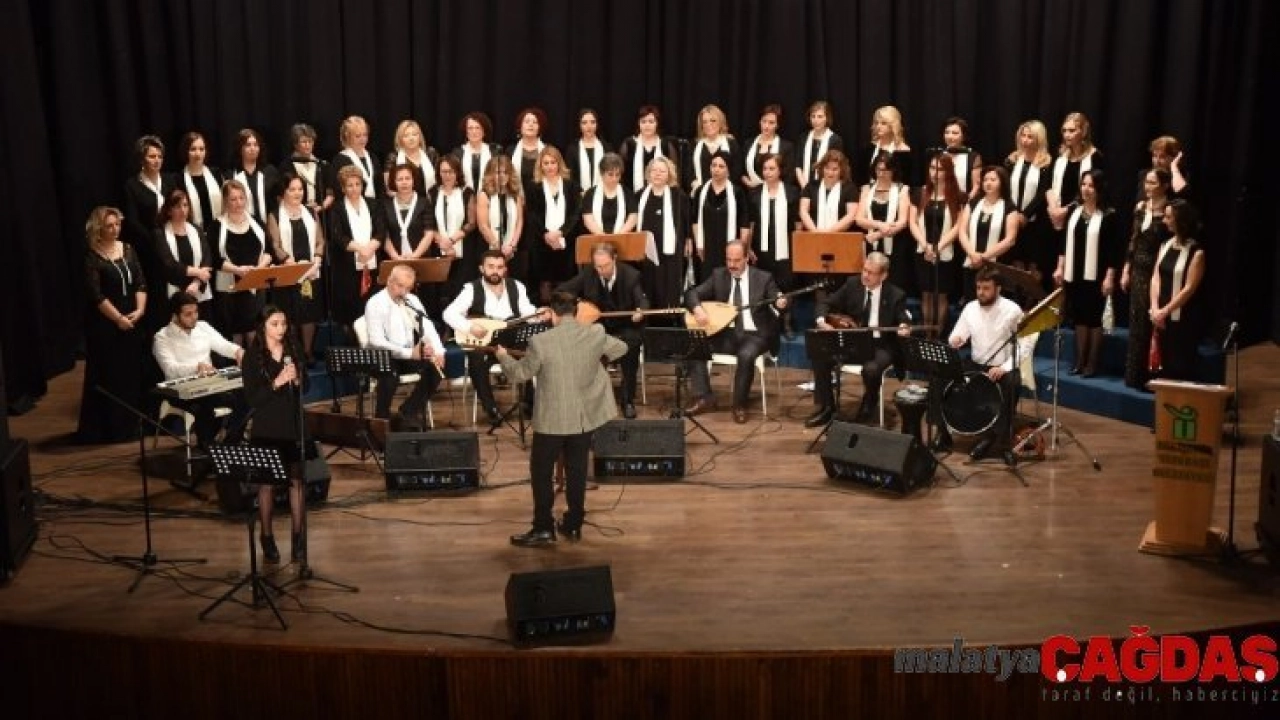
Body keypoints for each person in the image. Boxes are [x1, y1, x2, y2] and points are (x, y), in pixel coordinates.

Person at [495, 291, 628, 546]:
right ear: (575, 312)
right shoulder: (595, 333)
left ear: (552, 314)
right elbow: (621, 348)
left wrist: (503, 357)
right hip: (583, 417)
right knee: (577, 471)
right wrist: (596, 362)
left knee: (541, 472)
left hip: (552, 420)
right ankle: (574, 524)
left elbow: (521, 374)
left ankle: (543, 528)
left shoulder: (540, 341)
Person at [683, 241, 788, 424]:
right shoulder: (719, 275)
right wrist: (697, 309)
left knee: (746, 355)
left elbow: (777, 297)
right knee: (695, 344)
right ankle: (704, 397)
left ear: (747, 258)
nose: (731, 265)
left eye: (737, 260)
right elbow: (691, 294)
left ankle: (739, 405)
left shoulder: (763, 278)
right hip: (727, 333)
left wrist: (781, 302)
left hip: (755, 334)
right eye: (728, 260)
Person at [806, 252, 910, 429]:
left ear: (883, 275)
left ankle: (870, 401)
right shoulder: (852, 284)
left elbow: (903, 318)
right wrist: (822, 321)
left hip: (881, 346)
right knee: (820, 356)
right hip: (854, 341)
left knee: (871, 369)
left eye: (871, 273)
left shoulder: (896, 295)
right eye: (864, 270)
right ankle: (827, 407)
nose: (865, 275)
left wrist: (904, 326)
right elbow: (826, 303)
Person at [241, 305, 309, 564]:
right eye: (275, 324)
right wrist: (277, 383)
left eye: (284, 323)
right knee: (266, 484)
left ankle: (298, 537)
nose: (281, 329)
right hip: (267, 427)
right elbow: (253, 399)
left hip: (293, 424)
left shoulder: (293, 349)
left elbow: (306, 386)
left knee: (297, 482)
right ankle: (267, 536)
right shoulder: (252, 357)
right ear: (263, 327)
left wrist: (298, 380)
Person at [933, 266, 1024, 460]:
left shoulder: (1012, 310)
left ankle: (998, 440)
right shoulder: (970, 308)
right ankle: (943, 432)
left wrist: (1004, 367)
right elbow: (956, 334)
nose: (981, 293)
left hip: (1001, 366)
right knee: (938, 377)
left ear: (998, 289)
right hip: (975, 364)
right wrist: (956, 339)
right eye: (978, 288)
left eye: (986, 288)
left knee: (1013, 383)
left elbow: (1025, 345)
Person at [442, 250, 541, 424]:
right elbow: (448, 313)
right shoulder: (471, 289)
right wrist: (470, 327)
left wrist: (538, 314)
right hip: (485, 342)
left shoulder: (516, 286)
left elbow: (527, 311)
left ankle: (529, 402)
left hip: (512, 337)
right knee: (476, 358)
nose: (495, 271)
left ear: (505, 269)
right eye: (491, 267)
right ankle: (491, 408)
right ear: (482, 268)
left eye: (500, 267)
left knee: (535, 351)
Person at [77, 206, 148, 444]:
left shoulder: (127, 249)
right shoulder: (92, 256)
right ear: (99, 228)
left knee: (130, 374)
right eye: (109, 225)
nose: (115, 229)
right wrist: (118, 318)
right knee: (110, 375)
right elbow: (96, 295)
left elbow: (140, 282)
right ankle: (110, 429)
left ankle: (131, 425)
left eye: (117, 224)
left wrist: (140, 310)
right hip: (106, 325)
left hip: (132, 319)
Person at [557, 243, 650, 418]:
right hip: (597, 326)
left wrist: (640, 311)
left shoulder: (631, 275)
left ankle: (627, 400)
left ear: (614, 259)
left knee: (631, 346)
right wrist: (578, 304)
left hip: (625, 325)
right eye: (597, 266)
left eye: (605, 266)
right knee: (584, 345)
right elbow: (562, 291)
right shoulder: (588, 273)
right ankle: (590, 400)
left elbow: (643, 301)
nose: (601, 271)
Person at [151, 292, 247, 448]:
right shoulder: (162, 337)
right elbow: (170, 369)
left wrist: (238, 351)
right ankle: (207, 446)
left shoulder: (203, 327)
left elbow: (223, 345)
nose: (194, 317)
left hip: (210, 385)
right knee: (205, 406)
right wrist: (196, 367)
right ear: (175, 316)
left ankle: (230, 442)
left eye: (196, 312)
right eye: (188, 314)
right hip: (181, 391)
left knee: (246, 396)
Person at [1053, 170, 1122, 377]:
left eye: (1091, 185)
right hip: (1075, 274)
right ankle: (1079, 361)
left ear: (1099, 188)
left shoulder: (1108, 214)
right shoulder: (1074, 210)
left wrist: (1109, 277)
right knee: (1079, 318)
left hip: (1097, 276)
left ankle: (1092, 363)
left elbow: (1114, 251)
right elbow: (1064, 243)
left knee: (1094, 319)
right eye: (1084, 184)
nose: (1086, 189)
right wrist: (1060, 267)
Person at [363, 264, 444, 430]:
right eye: (400, 286)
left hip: (408, 354)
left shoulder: (412, 300)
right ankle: (382, 420)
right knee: (389, 376)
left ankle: (408, 411)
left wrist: (438, 351)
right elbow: (376, 341)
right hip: (383, 356)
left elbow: (427, 327)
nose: (403, 292)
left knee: (435, 370)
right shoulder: (375, 303)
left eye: (408, 288)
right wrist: (410, 353)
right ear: (389, 281)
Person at [1121, 168, 1172, 390]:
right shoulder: (1141, 208)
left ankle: (1153, 375)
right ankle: (1134, 376)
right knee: (1137, 322)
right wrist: (1126, 269)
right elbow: (1133, 240)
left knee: (1152, 322)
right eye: (1146, 182)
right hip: (1139, 270)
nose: (1147, 187)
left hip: (1158, 269)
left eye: (1152, 183)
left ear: (1164, 186)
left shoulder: (1169, 211)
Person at [266, 173, 326, 362]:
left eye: (300, 189)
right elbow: (275, 245)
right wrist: (289, 263)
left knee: (309, 314)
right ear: (283, 192)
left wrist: (317, 260)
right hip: (287, 272)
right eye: (292, 189)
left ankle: (307, 351)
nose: (297, 193)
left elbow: (320, 241)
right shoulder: (275, 215)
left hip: (311, 271)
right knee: (288, 315)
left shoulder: (311, 212)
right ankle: (292, 352)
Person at [122, 135, 177, 333]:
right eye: (152, 156)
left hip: (174, 243)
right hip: (149, 251)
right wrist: (155, 241)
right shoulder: (132, 185)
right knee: (157, 297)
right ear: (141, 159)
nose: (157, 160)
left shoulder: (170, 180)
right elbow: (132, 222)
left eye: (160, 156)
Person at [1149, 200, 1206, 382]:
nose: (1164, 221)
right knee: (1162, 365)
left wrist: (1165, 311)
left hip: (1182, 318)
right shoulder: (1164, 245)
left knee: (1179, 365)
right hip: (1160, 316)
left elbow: (1189, 288)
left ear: (1180, 221)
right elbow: (1155, 277)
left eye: (1168, 217)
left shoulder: (1196, 252)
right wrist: (1155, 308)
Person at [908, 153, 963, 338]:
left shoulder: (956, 196)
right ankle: (927, 335)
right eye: (932, 168)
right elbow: (912, 222)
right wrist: (926, 245)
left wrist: (938, 246)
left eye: (939, 169)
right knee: (926, 294)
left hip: (945, 250)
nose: (935, 173)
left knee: (940, 295)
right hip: (923, 250)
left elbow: (958, 226)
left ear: (948, 172)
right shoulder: (920, 193)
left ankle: (937, 337)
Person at [212, 180, 271, 346]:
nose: (238, 203)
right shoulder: (216, 226)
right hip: (229, 286)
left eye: (241, 198)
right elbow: (215, 259)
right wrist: (238, 270)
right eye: (233, 199)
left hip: (255, 284)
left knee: (254, 330)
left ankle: (255, 361)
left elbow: (269, 252)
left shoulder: (256, 222)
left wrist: (258, 269)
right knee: (235, 333)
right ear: (225, 201)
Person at [330, 164, 385, 335]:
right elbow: (338, 236)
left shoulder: (374, 204)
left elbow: (381, 231)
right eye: (350, 185)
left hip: (373, 265)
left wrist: (369, 248)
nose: (354, 189)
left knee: (373, 306)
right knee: (352, 311)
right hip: (348, 268)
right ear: (343, 188)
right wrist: (361, 249)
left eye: (357, 184)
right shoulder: (337, 208)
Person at [526, 146, 581, 302]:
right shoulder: (533, 186)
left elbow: (575, 214)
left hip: (566, 241)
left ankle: (564, 312)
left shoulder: (571, 186)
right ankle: (546, 312)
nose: (550, 166)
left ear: (559, 164)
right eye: (546, 163)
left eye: (553, 162)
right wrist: (546, 234)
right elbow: (532, 214)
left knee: (565, 282)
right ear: (540, 165)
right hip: (541, 242)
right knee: (544, 283)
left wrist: (561, 232)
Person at [957, 166, 1020, 301]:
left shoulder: (1009, 207)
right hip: (972, 262)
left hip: (997, 266)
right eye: (985, 180)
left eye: (993, 179)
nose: (988, 183)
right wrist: (972, 254)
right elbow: (962, 231)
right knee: (971, 302)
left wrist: (983, 257)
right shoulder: (973, 203)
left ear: (1002, 182)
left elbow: (1010, 239)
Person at [636, 156, 691, 308]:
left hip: (671, 250)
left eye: (662, 171)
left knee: (669, 285)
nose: (657, 174)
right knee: (649, 283)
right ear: (648, 173)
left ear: (669, 174)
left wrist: (688, 240)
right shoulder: (640, 195)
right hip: (647, 250)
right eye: (654, 170)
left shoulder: (678, 195)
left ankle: (670, 316)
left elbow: (687, 220)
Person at [1004, 120, 1053, 288]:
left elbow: (1043, 192)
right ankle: (1017, 295)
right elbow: (1005, 188)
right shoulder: (1012, 160)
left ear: (1039, 139)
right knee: (1016, 260)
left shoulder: (1046, 163)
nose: (1025, 140)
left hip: (1036, 221)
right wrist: (1014, 212)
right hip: (1013, 217)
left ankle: (1032, 298)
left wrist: (1025, 214)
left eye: (1030, 137)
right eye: (1023, 136)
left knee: (1033, 263)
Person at [856, 155, 913, 295]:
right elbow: (859, 219)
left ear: (893, 171)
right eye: (878, 169)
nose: (881, 174)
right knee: (870, 284)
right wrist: (879, 225)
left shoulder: (902, 189)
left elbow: (902, 222)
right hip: (871, 243)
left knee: (894, 286)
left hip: (895, 244)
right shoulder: (866, 189)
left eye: (885, 170)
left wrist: (879, 234)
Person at [154, 189, 214, 320]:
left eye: (185, 205)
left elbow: (207, 259)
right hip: (175, 291)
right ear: (169, 210)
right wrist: (198, 272)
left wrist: (197, 283)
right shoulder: (160, 233)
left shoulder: (197, 230)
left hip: (198, 290)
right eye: (177, 206)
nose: (183, 210)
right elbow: (169, 264)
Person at [691, 151, 750, 282]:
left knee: (727, 281)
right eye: (714, 165)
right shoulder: (700, 191)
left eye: (721, 166)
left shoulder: (737, 192)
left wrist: (741, 249)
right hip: (706, 246)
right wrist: (698, 243)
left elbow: (744, 224)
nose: (716, 169)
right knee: (706, 281)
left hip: (729, 247)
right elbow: (694, 220)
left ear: (728, 170)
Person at [427, 154, 479, 299]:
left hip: (464, 248)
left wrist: (451, 241)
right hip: (438, 248)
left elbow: (471, 222)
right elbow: (430, 222)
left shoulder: (467, 192)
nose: (447, 175)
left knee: (461, 290)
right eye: (444, 171)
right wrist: (443, 243)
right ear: (438, 173)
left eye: (451, 171)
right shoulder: (433, 192)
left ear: (458, 172)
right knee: (441, 292)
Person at [1046, 112, 1104, 230]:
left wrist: (1066, 210)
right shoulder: (1060, 156)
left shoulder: (1095, 157)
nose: (1067, 135)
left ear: (1083, 132)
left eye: (1072, 131)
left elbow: (1095, 189)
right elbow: (1047, 184)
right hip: (1055, 215)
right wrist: (1053, 208)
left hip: (1082, 215)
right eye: (1064, 131)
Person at [476, 155, 526, 281]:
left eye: (506, 172)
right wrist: (498, 247)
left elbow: (519, 222)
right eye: (498, 172)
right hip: (490, 248)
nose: (502, 176)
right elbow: (483, 226)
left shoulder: (515, 195)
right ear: (491, 174)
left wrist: (512, 246)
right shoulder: (484, 195)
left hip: (512, 250)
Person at [619, 105, 678, 195]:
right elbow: (620, 173)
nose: (647, 125)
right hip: (632, 196)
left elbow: (674, 174)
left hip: (661, 196)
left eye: (651, 121)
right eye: (643, 121)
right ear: (638, 123)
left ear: (657, 123)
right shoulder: (629, 144)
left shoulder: (666, 145)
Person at [225, 128, 279, 223]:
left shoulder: (270, 172)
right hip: (241, 225)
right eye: (248, 145)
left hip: (269, 224)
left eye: (256, 145)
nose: (252, 148)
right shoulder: (231, 175)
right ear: (240, 149)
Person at [580, 152, 638, 236]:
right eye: (610, 174)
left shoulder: (627, 193)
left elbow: (633, 216)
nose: (614, 179)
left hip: (622, 237)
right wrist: (602, 236)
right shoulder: (590, 194)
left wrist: (619, 235)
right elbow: (587, 219)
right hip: (596, 239)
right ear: (602, 173)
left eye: (617, 175)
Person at [279, 123, 332, 214]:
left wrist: (320, 208)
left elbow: (330, 194)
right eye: (304, 142)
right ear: (295, 144)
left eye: (310, 141)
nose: (308, 145)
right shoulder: (286, 166)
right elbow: (281, 196)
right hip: (296, 213)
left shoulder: (322, 165)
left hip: (320, 214)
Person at [856, 106, 914, 188]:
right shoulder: (868, 149)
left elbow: (907, 182)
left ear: (893, 125)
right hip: (869, 193)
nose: (878, 126)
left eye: (883, 123)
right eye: (876, 123)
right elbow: (860, 179)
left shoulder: (903, 152)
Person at [689, 104, 741, 194]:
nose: (708, 124)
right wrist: (696, 186)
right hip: (700, 192)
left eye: (713, 120)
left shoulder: (731, 144)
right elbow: (688, 172)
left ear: (720, 122)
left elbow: (737, 170)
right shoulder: (695, 145)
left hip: (726, 193)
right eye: (704, 122)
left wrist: (721, 188)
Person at [741, 105, 795, 190]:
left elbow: (789, 177)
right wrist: (749, 183)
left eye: (771, 123)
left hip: (777, 192)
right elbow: (741, 171)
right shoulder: (748, 144)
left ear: (777, 125)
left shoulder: (786, 147)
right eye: (764, 121)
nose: (766, 126)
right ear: (760, 121)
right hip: (750, 191)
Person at [330, 115, 383, 201]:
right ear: (348, 137)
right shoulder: (340, 160)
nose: (363, 139)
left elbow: (380, 186)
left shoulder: (373, 157)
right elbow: (337, 189)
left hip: (375, 205)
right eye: (358, 136)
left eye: (365, 135)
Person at [795, 100, 844, 190]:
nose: (816, 120)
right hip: (803, 187)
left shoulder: (835, 140)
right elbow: (798, 166)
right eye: (813, 116)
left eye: (820, 116)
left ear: (827, 118)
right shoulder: (803, 137)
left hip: (827, 188)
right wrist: (806, 189)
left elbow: (835, 168)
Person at [383, 119, 440, 196]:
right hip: (404, 201)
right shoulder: (393, 157)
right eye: (406, 135)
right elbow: (389, 189)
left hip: (430, 200)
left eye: (414, 134)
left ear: (420, 137)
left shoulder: (431, 153)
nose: (411, 138)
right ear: (400, 139)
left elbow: (441, 180)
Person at [179, 131, 222, 231]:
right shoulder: (179, 179)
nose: (198, 153)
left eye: (201, 149)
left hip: (218, 229)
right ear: (186, 151)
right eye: (193, 149)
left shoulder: (215, 173)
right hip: (192, 231)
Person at [453, 111, 501, 192]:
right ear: (466, 132)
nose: (474, 132)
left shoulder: (495, 152)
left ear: (484, 131)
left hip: (490, 195)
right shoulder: (457, 153)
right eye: (470, 128)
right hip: (464, 196)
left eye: (477, 128)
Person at [566, 108, 610, 191]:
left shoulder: (606, 147)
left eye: (592, 122)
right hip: (579, 195)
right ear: (579, 125)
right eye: (584, 122)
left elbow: (610, 172)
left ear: (597, 124)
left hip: (603, 193)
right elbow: (570, 177)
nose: (589, 126)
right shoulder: (572, 149)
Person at [939, 117, 983, 198]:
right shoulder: (939, 155)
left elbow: (976, 187)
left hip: (965, 201)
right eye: (947, 132)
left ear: (963, 136)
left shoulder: (972, 157)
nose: (950, 136)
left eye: (955, 133)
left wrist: (966, 201)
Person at [508, 107, 548, 189]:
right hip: (516, 195)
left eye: (535, 122)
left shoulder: (548, 150)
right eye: (527, 122)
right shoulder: (510, 151)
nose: (531, 125)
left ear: (539, 127)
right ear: (520, 126)